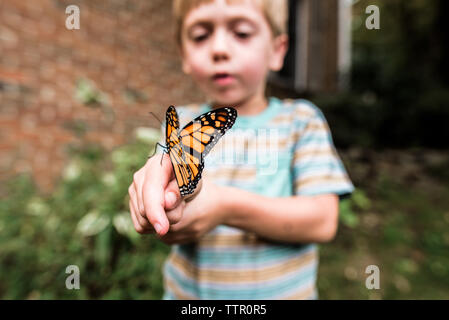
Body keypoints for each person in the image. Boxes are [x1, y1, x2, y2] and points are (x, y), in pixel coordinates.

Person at [128, 0, 354, 299]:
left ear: (277, 51)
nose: (219, 49)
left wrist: (225, 206)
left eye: (242, 33)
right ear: (184, 55)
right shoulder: (180, 122)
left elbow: (323, 222)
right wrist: (157, 201)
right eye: (200, 36)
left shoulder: (300, 121)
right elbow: (168, 185)